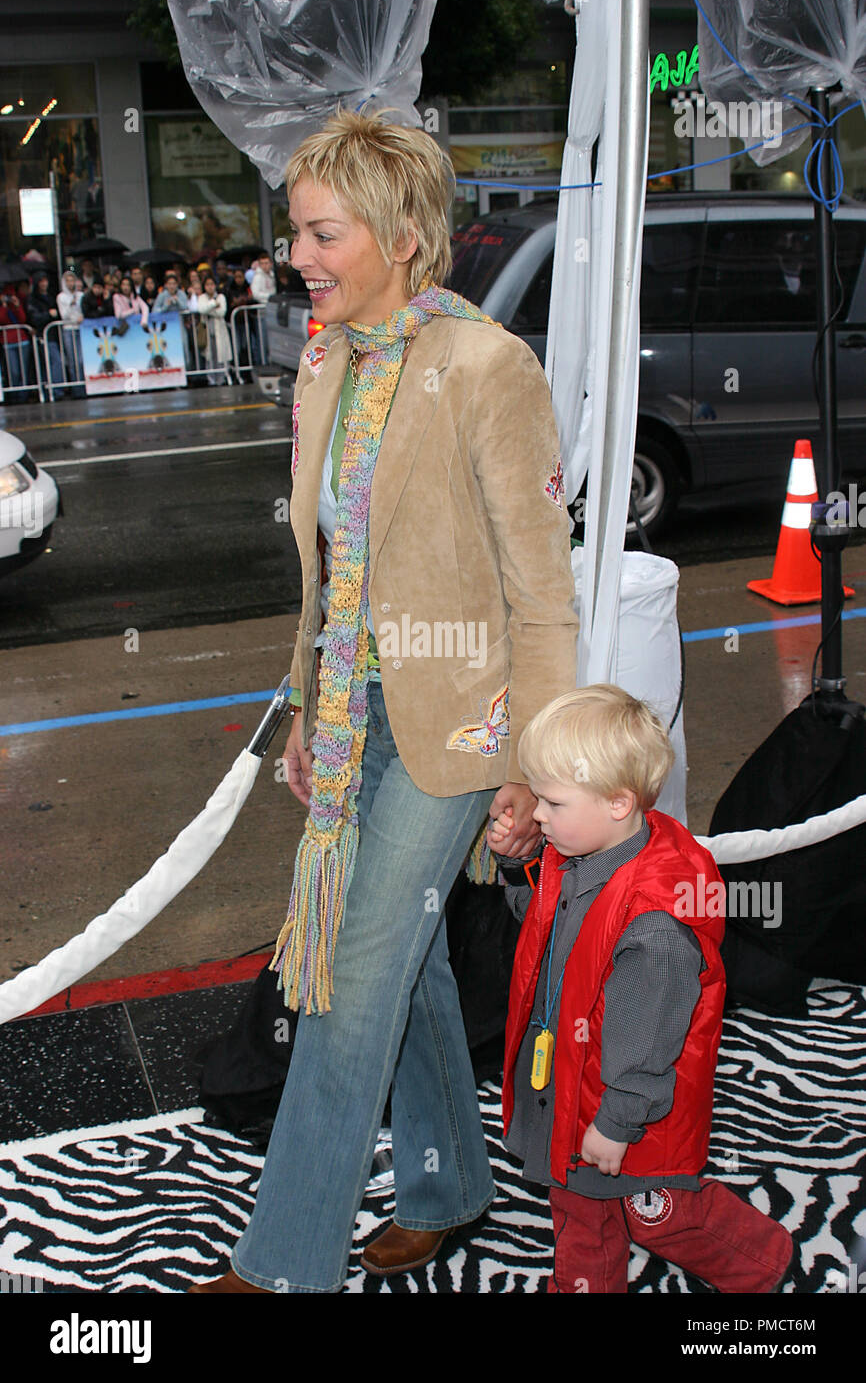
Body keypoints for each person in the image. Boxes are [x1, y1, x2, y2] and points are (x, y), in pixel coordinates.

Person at [188, 108, 579, 1295]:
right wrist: (311, 707)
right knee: (407, 959)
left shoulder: (486, 367)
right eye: (295, 231)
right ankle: (450, 1185)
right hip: (355, 714)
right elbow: (328, 569)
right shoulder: (324, 360)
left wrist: (536, 767)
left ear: (402, 235)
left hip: (460, 728)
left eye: (321, 231)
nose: (295, 256)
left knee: (354, 982)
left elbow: (541, 590)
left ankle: (282, 1265)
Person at [489, 685, 795, 1294]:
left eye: (551, 801)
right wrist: (510, 871)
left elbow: (648, 1036)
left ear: (617, 803)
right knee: (581, 1216)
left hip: (621, 1108)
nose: (538, 815)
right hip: (573, 1087)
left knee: (661, 1217)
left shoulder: (652, 922)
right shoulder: (577, 854)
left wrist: (617, 1120)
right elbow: (546, 928)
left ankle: (765, 1265)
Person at [27, 272, 66, 398]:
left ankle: (50, 390)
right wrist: (49, 314)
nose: (44, 284)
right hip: (43, 335)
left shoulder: (50, 296)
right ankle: (55, 390)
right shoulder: (33, 299)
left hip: (52, 334)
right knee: (54, 362)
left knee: (50, 363)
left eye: (45, 281)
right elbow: (34, 318)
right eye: (41, 281)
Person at [196, 273, 232, 383]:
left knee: (220, 355)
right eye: (207, 284)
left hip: (219, 330)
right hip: (207, 331)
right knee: (209, 356)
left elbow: (221, 312)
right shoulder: (202, 297)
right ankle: (211, 379)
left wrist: (209, 309)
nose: (210, 287)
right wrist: (213, 304)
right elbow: (201, 309)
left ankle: (222, 378)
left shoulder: (221, 297)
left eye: (212, 284)